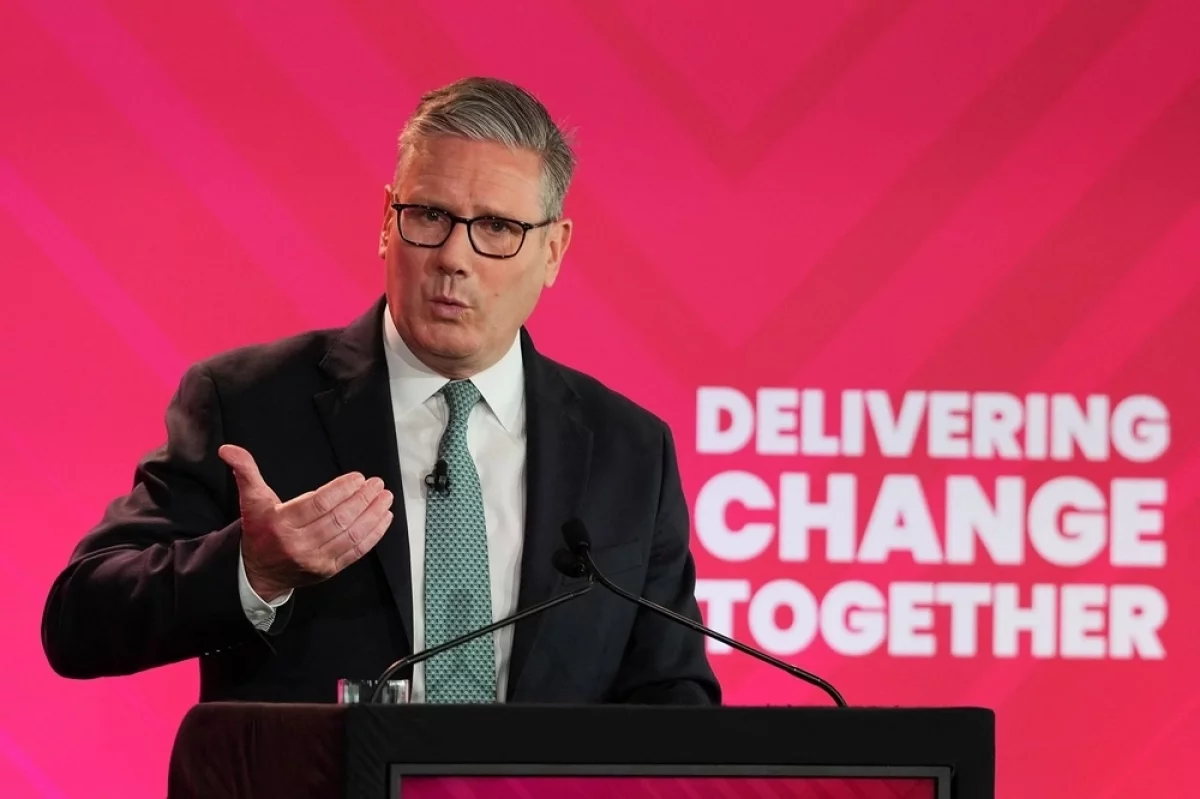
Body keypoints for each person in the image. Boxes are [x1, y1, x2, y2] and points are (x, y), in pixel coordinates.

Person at [40, 76, 721, 706]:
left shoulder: (630, 450)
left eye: (497, 228)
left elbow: (673, 693)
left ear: (553, 251)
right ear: (386, 221)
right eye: (429, 215)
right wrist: (252, 568)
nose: (453, 257)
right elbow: (79, 620)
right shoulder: (248, 403)